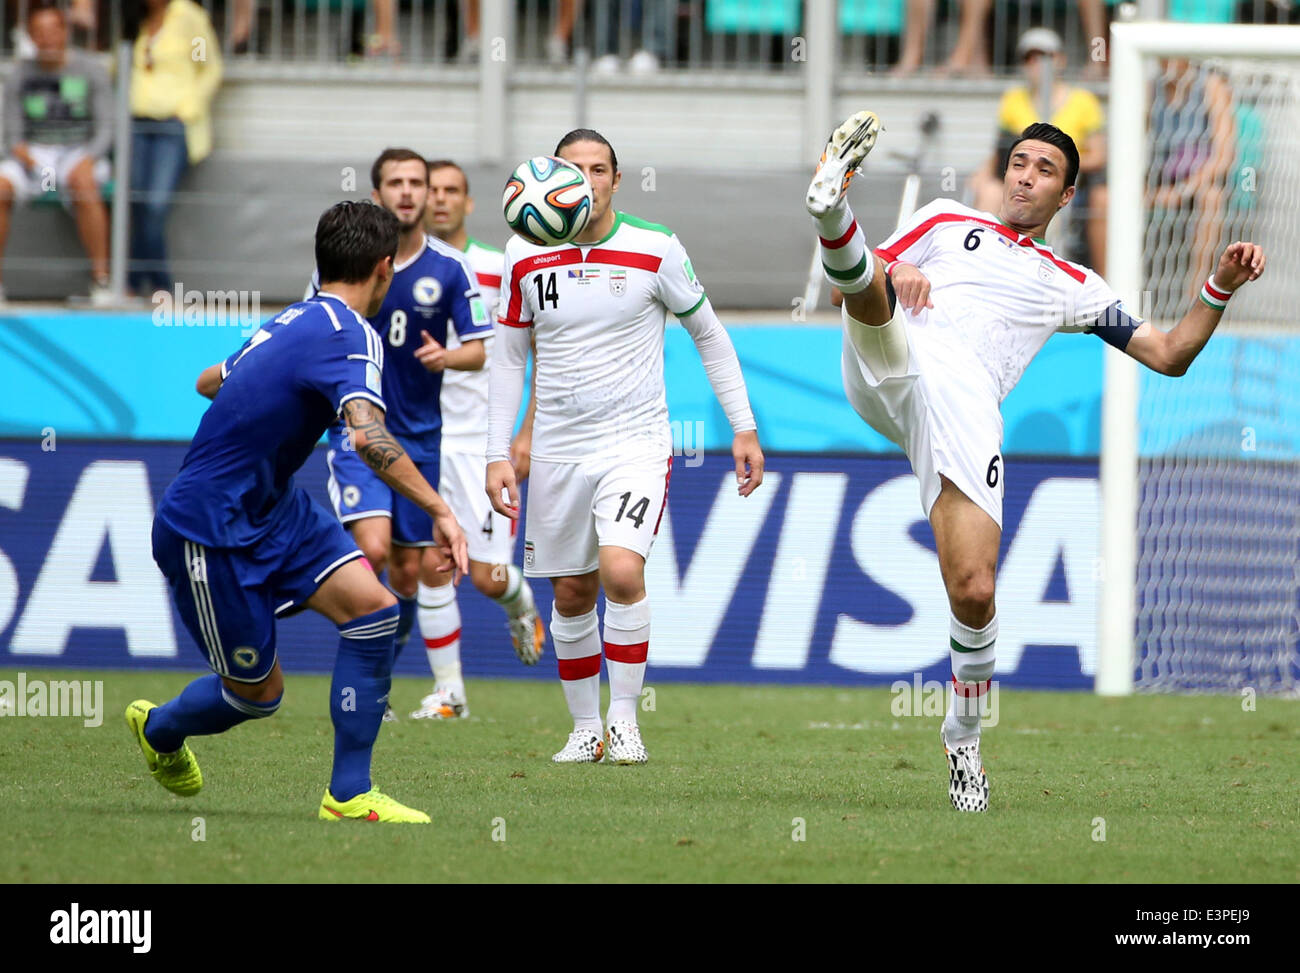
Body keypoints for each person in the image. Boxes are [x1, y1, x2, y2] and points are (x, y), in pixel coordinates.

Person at [805, 111, 1265, 812]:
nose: (1026, 176)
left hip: (962, 406)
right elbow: (852, 291)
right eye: (1019, 162)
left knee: (975, 589)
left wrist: (1220, 286)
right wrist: (898, 266)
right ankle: (832, 206)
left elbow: (1169, 355)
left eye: (1045, 170)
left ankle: (963, 738)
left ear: (1067, 195)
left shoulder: (1072, 283)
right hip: (896, 355)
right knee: (871, 294)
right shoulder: (942, 219)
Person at [128, 199, 469, 823]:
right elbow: (368, 438)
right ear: (385, 268)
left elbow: (210, 380)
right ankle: (161, 729)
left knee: (375, 613)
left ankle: (348, 794)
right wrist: (440, 510)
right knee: (259, 696)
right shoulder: (350, 332)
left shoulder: (290, 321)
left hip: (274, 509)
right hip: (209, 527)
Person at [487, 129, 765, 765]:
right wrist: (496, 451)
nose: (586, 181)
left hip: (634, 443)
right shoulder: (521, 253)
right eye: (572, 170)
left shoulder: (655, 247)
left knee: (620, 572)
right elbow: (507, 358)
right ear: (550, 178)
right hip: (557, 449)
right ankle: (585, 728)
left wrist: (742, 427)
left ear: (616, 179)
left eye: (599, 170)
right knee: (571, 594)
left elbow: (710, 336)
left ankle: (625, 721)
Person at [309, 149, 494, 721]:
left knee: (413, 571)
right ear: (378, 192)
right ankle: (362, 686)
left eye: (418, 182)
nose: (409, 192)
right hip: (360, 431)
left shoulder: (449, 268)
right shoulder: (346, 259)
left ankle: (382, 682)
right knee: (373, 549)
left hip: (421, 436)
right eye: (397, 182)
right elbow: (318, 325)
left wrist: (448, 356)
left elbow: (480, 350)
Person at [419, 158, 548, 705]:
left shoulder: (502, 266)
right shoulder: (399, 271)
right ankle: (450, 694)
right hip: (423, 439)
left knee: (488, 577)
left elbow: (544, 349)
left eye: (453, 191)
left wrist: (526, 432)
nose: (441, 199)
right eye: (433, 190)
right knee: (431, 565)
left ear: (469, 204)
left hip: (483, 445)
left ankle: (521, 604)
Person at [969, 28, 1108, 274]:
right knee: (989, 191)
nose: (1038, 65)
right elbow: (1000, 148)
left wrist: (1053, 167)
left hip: (1071, 183)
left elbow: (1098, 155)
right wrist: (982, 174)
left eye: (1045, 56)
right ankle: (985, 269)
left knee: (1094, 198)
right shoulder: (1013, 99)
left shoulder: (1083, 101)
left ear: (1060, 60)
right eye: (1030, 58)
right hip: (1023, 181)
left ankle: (1103, 281)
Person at [0, 2, 112, 304]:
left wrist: (88, 158)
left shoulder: (90, 69)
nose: (47, 38)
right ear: (30, 37)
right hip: (33, 155)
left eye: (53, 30)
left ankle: (101, 282)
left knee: (84, 184)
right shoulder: (19, 74)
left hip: (79, 152)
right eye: (38, 32)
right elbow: (12, 135)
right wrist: (27, 156)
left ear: (65, 31)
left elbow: (106, 129)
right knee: (0, 188)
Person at [128, 0, 222, 297]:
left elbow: (211, 67)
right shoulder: (137, 19)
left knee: (155, 203)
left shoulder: (188, 15)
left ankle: (156, 284)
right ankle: (138, 282)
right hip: (136, 123)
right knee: (136, 202)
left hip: (171, 125)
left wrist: (188, 108)